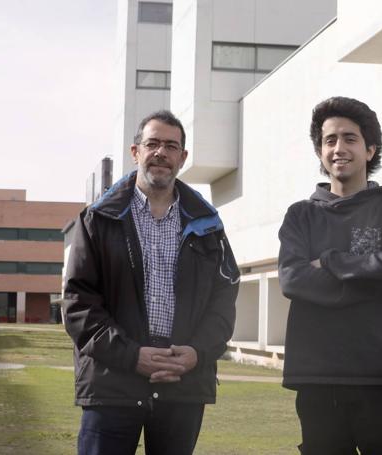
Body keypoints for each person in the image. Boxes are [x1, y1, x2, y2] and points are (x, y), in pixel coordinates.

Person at [63, 110, 240, 455]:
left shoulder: (209, 226)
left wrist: (197, 354)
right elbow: (78, 303)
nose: (161, 153)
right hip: (112, 382)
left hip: (182, 382)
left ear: (183, 157)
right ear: (136, 152)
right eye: (153, 143)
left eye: (171, 146)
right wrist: (132, 356)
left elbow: (223, 300)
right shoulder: (97, 219)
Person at [278, 96, 382, 455]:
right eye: (330, 140)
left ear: (370, 149)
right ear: (320, 152)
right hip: (317, 376)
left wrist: (328, 261)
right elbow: (292, 279)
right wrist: (370, 279)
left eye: (350, 138)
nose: (339, 148)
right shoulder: (300, 216)